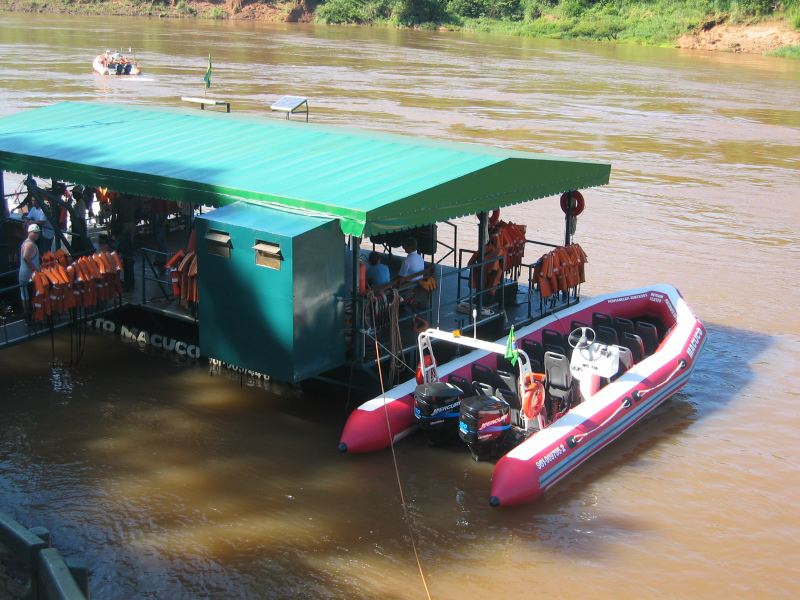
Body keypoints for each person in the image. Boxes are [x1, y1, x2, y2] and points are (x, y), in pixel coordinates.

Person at [19, 224, 41, 314]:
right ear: (30, 232)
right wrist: (35, 269)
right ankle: (33, 316)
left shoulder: (25, 243)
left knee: (25, 296)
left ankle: (28, 318)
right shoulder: (30, 244)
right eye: (35, 232)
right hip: (29, 276)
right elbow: (25, 257)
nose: (37, 234)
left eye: (38, 233)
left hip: (23, 274)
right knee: (33, 295)